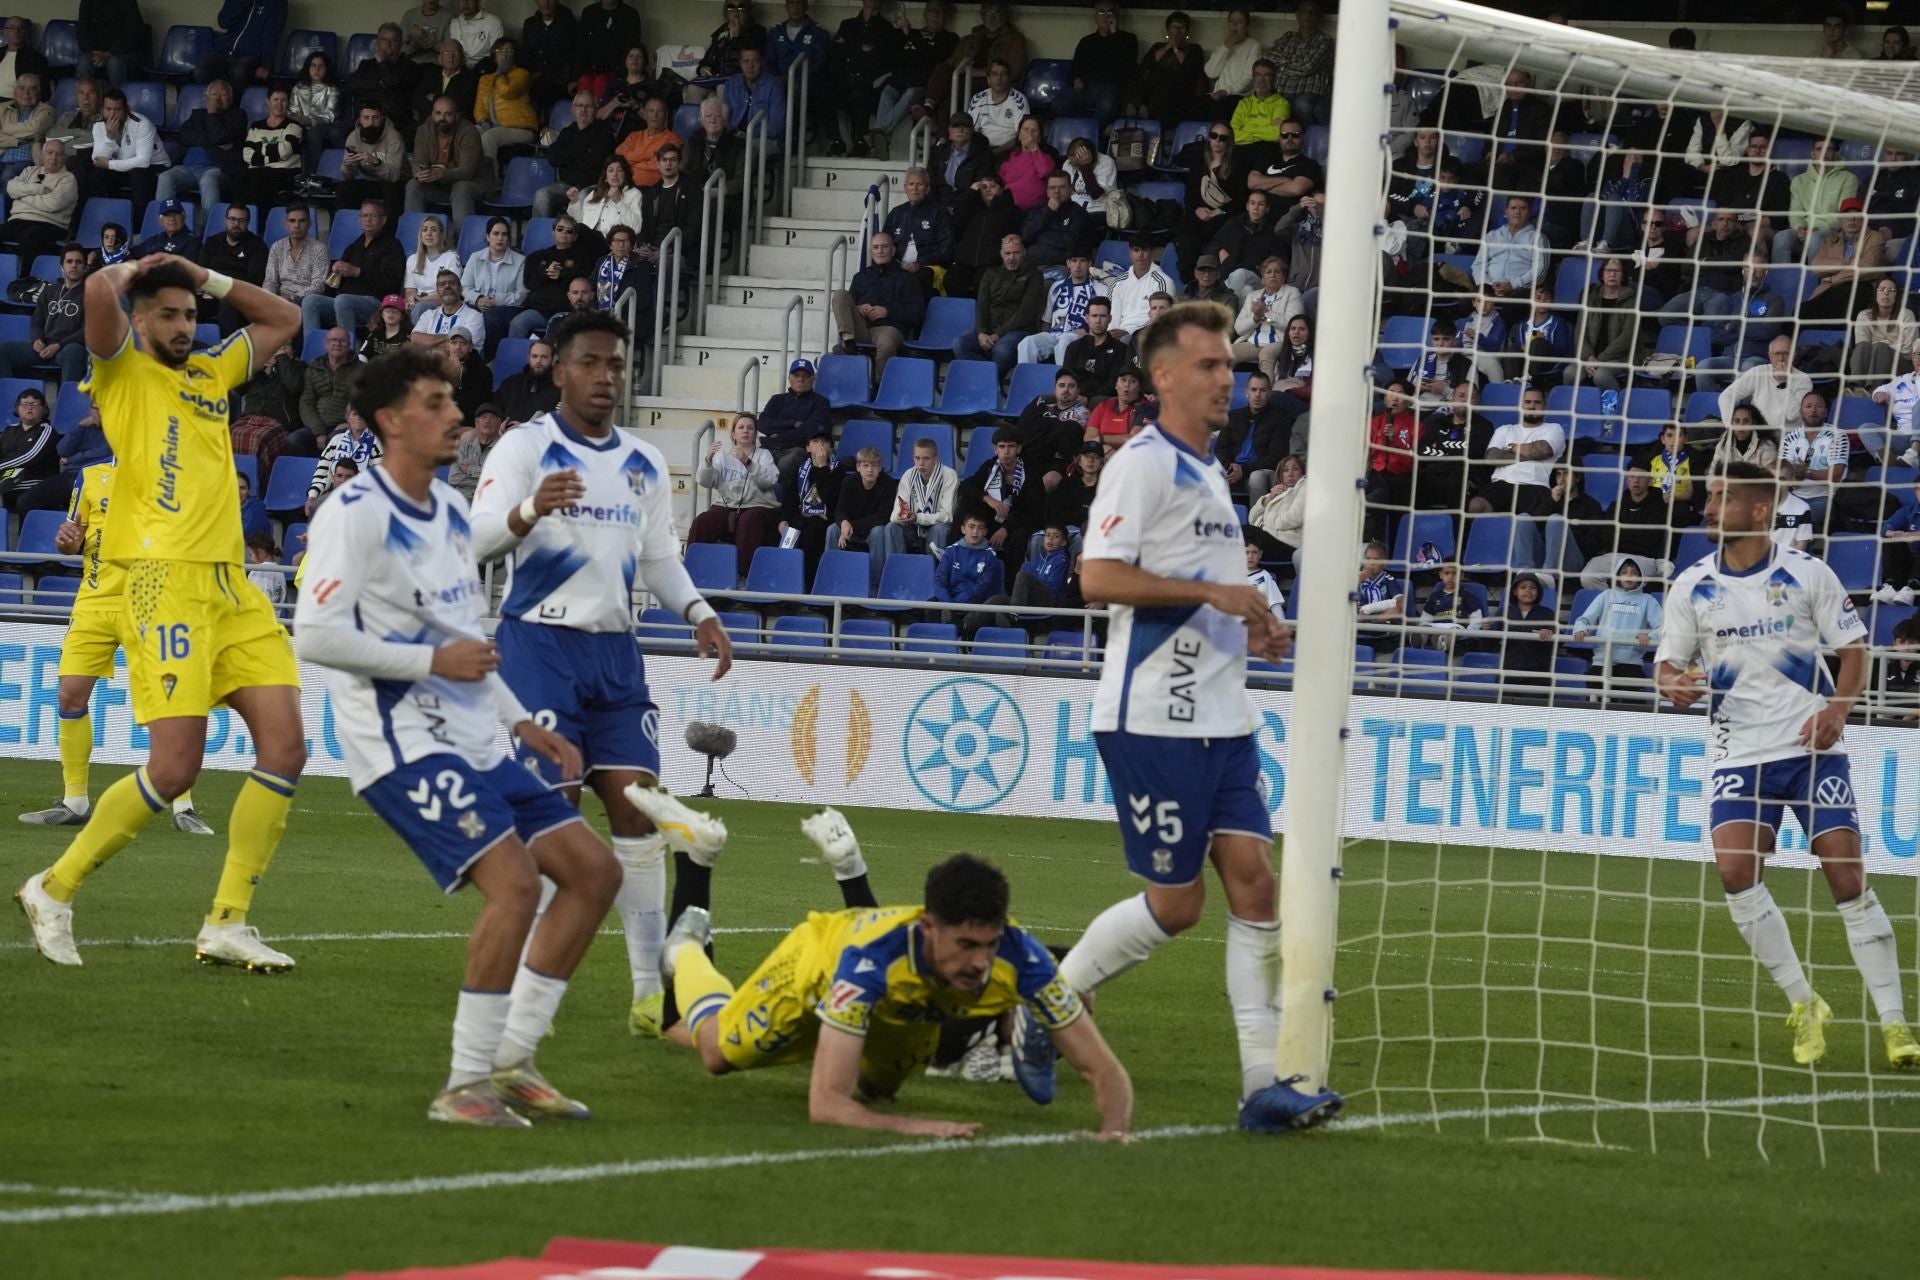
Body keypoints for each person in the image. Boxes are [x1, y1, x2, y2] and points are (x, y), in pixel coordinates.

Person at [1010, 300, 1335, 1130]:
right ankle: (1048, 1005)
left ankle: (1264, 1083)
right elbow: (1098, 580)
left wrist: (1251, 623)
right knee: (1178, 905)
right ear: (1163, 377)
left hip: (1223, 717)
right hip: (1153, 714)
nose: (1230, 377)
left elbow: (1204, 595)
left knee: (1255, 884)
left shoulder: (1210, 474)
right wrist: (1214, 593)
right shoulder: (1142, 465)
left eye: (1231, 365)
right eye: (1211, 365)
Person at [291, 344, 615, 1126]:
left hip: (480, 739)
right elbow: (315, 635)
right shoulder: (355, 513)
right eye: (436, 404)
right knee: (513, 884)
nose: (456, 417)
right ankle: (464, 1086)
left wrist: (520, 725)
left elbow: (462, 637)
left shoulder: (445, 512)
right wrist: (430, 660)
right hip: (401, 744)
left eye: (452, 402)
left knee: (593, 872)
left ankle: (514, 1059)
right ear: (390, 421)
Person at [15, 251, 306, 973]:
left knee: (286, 748)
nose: (184, 326)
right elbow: (93, 295)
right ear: (140, 320)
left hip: (232, 588)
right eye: (168, 315)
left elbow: (287, 317)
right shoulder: (120, 372)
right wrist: (139, 269)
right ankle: (54, 888)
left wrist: (206, 278)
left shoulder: (212, 372)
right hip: (162, 582)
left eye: (190, 315)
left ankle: (227, 921)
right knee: (174, 768)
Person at [470, 309, 731, 1039]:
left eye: (615, 364)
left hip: (617, 655)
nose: (605, 376)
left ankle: (651, 996)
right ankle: (524, 989)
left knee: (638, 813)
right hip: (539, 647)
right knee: (555, 828)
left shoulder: (643, 462)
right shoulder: (526, 447)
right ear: (559, 370)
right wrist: (528, 510)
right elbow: (477, 537)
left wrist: (698, 611)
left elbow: (658, 558)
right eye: (589, 362)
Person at [1655, 461, 1919, 1070]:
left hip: (1810, 747)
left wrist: (1839, 709)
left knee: (1846, 879)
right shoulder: (1690, 584)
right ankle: (1805, 1003)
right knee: (1734, 873)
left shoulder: (1806, 574)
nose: (1708, 505)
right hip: (1738, 749)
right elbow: (1668, 665)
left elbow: (1854, 652)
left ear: (1759, 511)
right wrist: (1674, 684)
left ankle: (1896, 1024)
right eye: (1711, 495)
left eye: (1723, 497)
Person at [660, 806, 1131, 1138]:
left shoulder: (1025, 959)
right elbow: (825, 1106)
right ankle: (685, 951)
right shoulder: (868, 962)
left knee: (877, 1091)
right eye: (965, 945)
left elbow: (1102, 1067)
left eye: (989, 945)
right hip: (816, 964)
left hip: (910, 1010)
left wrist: (1115, 1131)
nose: (980, 963)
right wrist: (917, 1127)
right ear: (929, 927)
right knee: (716, 1054)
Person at [691, 411, 781, 579]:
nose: (745, 431)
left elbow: (768, 481)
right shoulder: (722, 456)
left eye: (750, 428)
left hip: (759, 506)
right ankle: (693, 573)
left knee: (748, 521)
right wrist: (708, 461)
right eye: (741, 427)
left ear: (755, 433)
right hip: (726, 506)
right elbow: (705, 482)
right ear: (733, 434)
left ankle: (743, 577)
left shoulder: (764, 455)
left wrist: (747, 462)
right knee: (702, 521)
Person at [305, 199, 407, 340]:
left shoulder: (392, 246)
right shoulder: (353, 247)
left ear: (383, 220)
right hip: (344, 303)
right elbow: (334, 285)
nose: (368, 220)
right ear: (359, 220)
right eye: (364, 216)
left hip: (375, 303)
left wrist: (357, 272)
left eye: (373, 216)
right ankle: (312, 352)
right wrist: (334, 273)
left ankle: (347, 353)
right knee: (310, 301)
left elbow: (391, 283)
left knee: (343, 300)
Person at [829, 231, 923, 379]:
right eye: (876, 247)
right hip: (861, 327)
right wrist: (859, 308)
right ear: (871, 251)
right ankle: (849, 344)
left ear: (892, 251)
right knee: (840, 294)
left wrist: (887, 311)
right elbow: (847, 306)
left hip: (889, 328)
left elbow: (917, 313)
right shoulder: (860, 277)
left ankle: (881, 388)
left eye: (885, 247)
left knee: (886, 342)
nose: (880, 251)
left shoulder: (907, 278)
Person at [1570, 556, 1662, 701]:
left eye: (1634, 572)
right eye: (1624, 572)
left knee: (1632, 710)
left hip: (1631, 664)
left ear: (1641, 577)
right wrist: (1581, 630)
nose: (1629, 575)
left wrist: (1650, 637)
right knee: (1596, 708)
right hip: (1601, 661)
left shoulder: (1648, 600)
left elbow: (1662, 628)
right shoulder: (1606, 596)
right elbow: (1584, 619)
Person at [954, 233, 1044, 380]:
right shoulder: (990, 274)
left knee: (1002, 349)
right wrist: (981, 332)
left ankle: (984, 383)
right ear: (1001, 254)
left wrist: (997, 335)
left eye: (1016, 253)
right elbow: (982, 305)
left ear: (1024, 253)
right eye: (1007, 253)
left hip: (1019, 330)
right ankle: (985, 380)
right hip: (990, 329)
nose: (1011, 258)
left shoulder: (1034, 275)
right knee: (959, 343)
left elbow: (1025, 313)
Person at [959, 425, 1043, 574]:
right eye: (1002, 446)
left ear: (1019, 448)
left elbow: (1034, 511)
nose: (1006, 452)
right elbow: (966, 485)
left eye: (1011, 446)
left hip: (1021, 523)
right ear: (995, 449)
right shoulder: (990, 467)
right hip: (994, 518)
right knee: (965, 508)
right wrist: (989, 500)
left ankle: (1012, 587)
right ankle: (957, 563)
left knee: (1018, 538)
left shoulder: (1031, 471)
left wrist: (1006, 529)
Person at [0, 243, 88, 383]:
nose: (73, 265)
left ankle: (66, 402)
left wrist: (59, 344)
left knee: (74, 351)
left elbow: (88, 330)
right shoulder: (50, 291)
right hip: (44, 348)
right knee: (3, 350)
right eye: (69, 261)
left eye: (78, 262)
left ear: (85, 267)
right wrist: (37, 339)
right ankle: (11, 398)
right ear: (62, 267)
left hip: (67, 350)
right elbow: (37, 320)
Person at [874, 435, 958, 580]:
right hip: (912, 528)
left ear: (936, 458)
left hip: (937, 529)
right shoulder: (908, 475)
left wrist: (918, 517)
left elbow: (947, 515)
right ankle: (895, 577)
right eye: (917, 458)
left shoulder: (949, 475)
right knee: (891, 527)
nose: (921, 463)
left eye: (926, 458)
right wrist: (901, 516)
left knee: (939, 528)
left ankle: (936, 580)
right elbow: (894, 514)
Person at [534, 91, 615, 220]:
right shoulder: (568, 132)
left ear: (595, 109)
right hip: (565, 186)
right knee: (541, 195)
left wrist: (567, 157)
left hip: (592, 186)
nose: (583, 109)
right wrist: (583, 150)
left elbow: (596, 161)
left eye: (588, 106)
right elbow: (553, 157)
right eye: (580, 105)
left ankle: (579, 238)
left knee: (583, 197)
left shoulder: (604, 132)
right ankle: (542, 236)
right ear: (573, 110)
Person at [1016, 249, 1104, 365]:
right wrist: (1043, 336)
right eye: (1074, 261)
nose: (1078, 265)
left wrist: (1089, 333)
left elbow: (1104, 321)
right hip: (1055, 335)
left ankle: (1064, 382)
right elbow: (1047, 321)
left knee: (1065, 342)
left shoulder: (1100, 289)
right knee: (1027, 343)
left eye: (1082, 261)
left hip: (1083, 337)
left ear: (1089, 264)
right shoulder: (1056, 287)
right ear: (1068, 263)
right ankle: (1027, 381)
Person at [0, 137, 76, 266]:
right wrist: (38, 189)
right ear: (42, 155)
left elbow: (53, 204)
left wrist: (22, 196)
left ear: (64, 158)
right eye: (50, 152)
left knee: (31, 236)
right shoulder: (29, 171)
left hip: (49, 224)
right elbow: (11, 188)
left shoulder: (68, 179)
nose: (53, 157)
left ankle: (24, 279)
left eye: (58, 154)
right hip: (18, 221)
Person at [777, 426, 841, 581]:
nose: (820, 445)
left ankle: (806, 585)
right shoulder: (800, 469)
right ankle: (784, 583)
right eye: (815, 441)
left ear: (831, 447)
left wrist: (822, 467)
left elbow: (829, 498)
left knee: (811, 534)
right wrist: (783, 520)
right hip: (801, 517)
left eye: (825, 441)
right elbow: (791, 498)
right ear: (807, 447)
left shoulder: (838, 470)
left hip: (825, 518)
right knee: (787, 533)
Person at [88, 86, 162, 216]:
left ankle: (140, 225)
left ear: (125, 109)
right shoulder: (99, 125)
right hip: (123, 169)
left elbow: (143, 162)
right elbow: (98, 159)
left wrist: (110, 164)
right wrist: (110, 137)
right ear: (102, 109)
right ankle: (105, 217)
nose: (112, 114)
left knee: (137, 174)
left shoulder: (142, 124)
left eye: (117, 110)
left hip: (153, 168)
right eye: (108, 109)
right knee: (97, 174)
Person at [460, 216, 528, 349]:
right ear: (487, 236)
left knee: (490, 317)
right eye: (495, 234)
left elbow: (521, 294)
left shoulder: (520, 261)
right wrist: (478, 299)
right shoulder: (475, 257)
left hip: (508, 308)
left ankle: (489, 359)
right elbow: (464, 287)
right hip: (478, 304)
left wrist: (495, 301)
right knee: (463, 313)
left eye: (504, 234)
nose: (500, 238)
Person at [306, 406, 382, 515]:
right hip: (334, 491)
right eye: (355, 414)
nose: (359, 418)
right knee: (316, 506)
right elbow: (322, 472)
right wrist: (312, 496)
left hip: (363, 495)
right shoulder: (336, 440)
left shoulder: (376, 443)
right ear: (347, 418)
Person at [1267, 0, 1333, 126]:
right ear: (1297, 15)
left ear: (1319, 16)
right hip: (1281, 91)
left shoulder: (1324, 40)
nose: (1308, 15)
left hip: (1307, 93)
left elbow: (1307, 67)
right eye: (1305, 11)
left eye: (1313, 12)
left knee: (1302, 106)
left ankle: (1305, 142)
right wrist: (1295, 63)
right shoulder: (1288, 37)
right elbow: (1269, 58)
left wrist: (1281, 65)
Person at [474, 37, 537, 165]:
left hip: (521, 128)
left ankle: (490, 179)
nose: (504, 54)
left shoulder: (521, 74)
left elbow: (506, 92)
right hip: (493, 126)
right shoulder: (485, 79)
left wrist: (501, 74)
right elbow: (479, 108)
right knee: (468, 133)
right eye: (500, 50)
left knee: (489, 137)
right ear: (494, 55)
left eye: (509, 51)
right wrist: (484, 123)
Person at [337, 104, 409, 213]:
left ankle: (390, 228)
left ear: (382, 119)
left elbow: (394, 176)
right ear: (359, 120)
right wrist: (348, 166)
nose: (371, 122)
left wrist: (376, 163)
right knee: (344, 188)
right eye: (366, 118)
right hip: (371, 181)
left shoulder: (394, 137)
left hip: (398, 182)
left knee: (390, 189)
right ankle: (346, 226)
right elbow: (349, 176)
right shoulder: (354, 137)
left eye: (375, 118)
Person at [197, 0, 284, 86]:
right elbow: (223, 22)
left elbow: (271, 37)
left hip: (250, 57)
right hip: (224, 52)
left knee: (239, 72)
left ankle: (234, 100)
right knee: (201, 71)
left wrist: (266, 66)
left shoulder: (276, 3)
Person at [1108, 235, 1176, 339]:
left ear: (1152, 253)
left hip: (1148, 335)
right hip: (1119, 335)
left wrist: (1130, 333)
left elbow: (1162, 319)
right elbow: (1112, 316)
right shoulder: (1117, 282)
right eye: (1136, 250)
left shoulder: (1164, 281)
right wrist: (1111, 335)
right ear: (1130, 253)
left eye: (1144, 250)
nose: (1140, 255)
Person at [1060, 297, 1128, 399]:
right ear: (1087, 318)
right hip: (1073, 398)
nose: (1098, 321)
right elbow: (1066, 378)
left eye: (1103, 316)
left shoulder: (1120, 349)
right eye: (1094, 316)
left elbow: (1112, 385)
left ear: (1110, 318)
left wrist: (1087, 398)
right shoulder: (1073, 347)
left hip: (1102, 400)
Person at [288, 50, 341, 170]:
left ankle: (313, 173)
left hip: (324, 126)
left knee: (314, 133)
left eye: (321, 66)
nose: (317, 69)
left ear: (327, 69)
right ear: (308, 67)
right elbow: (293, 110)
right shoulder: (298, 87)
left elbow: (331, 115)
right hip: (300, 124)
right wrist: (299, 120)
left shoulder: (332, 89)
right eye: (313, 65)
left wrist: (311, 121)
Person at [76, 0, 148, 88]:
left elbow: (132, 36)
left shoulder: (128, 3)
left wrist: (109, 54)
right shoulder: (87, 3)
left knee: (114, 64)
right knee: (84, 62)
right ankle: (84, 101)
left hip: (122, 54)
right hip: (95, 53)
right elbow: (82, 33)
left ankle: (115, 100)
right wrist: (94, 53)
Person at [722, 42, 784, 138]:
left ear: (762, 62)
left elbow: (776, 126)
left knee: (744, 151)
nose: (750, 66)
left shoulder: (773, 86)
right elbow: (725, 117)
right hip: (734, 138)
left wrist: (749, 135)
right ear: (740, 63)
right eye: (746, 61)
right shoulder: (732, 84)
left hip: (763, 140)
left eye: (755, 61)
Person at [495, 336, 560, 424]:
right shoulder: (511, 383)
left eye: (544, 357)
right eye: (534, 356)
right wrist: (498, 423)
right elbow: (494, 408)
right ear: (528, 358)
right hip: (504, 434)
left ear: (553, 360)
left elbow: (557, 424)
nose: (538, 361)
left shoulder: (560, 388)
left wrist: (523, 427)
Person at [446, 400, 503, 499]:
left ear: (499, 424)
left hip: (489, 500)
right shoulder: (465, 447)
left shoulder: (503, 448)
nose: (487, 421)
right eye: (483, 417)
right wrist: (485, 477)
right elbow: (453, 478)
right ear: (476, 424)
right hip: (463, 499)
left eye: (492, 417)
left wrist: (469, 469)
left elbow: (499, 479)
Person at [447, 0, 505, 70]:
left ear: (478, 1)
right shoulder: (454, 23)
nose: (465, 3)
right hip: (460, 69)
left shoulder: (493, 22)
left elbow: (497, 54)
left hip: (484, 69)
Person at [359, 294, 414, 360]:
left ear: (402, 316)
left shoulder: (407, 337)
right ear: (382, 314)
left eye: (395, 311)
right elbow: (362, 355)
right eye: (388, 311)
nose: (391, 313)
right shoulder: (375, 334)